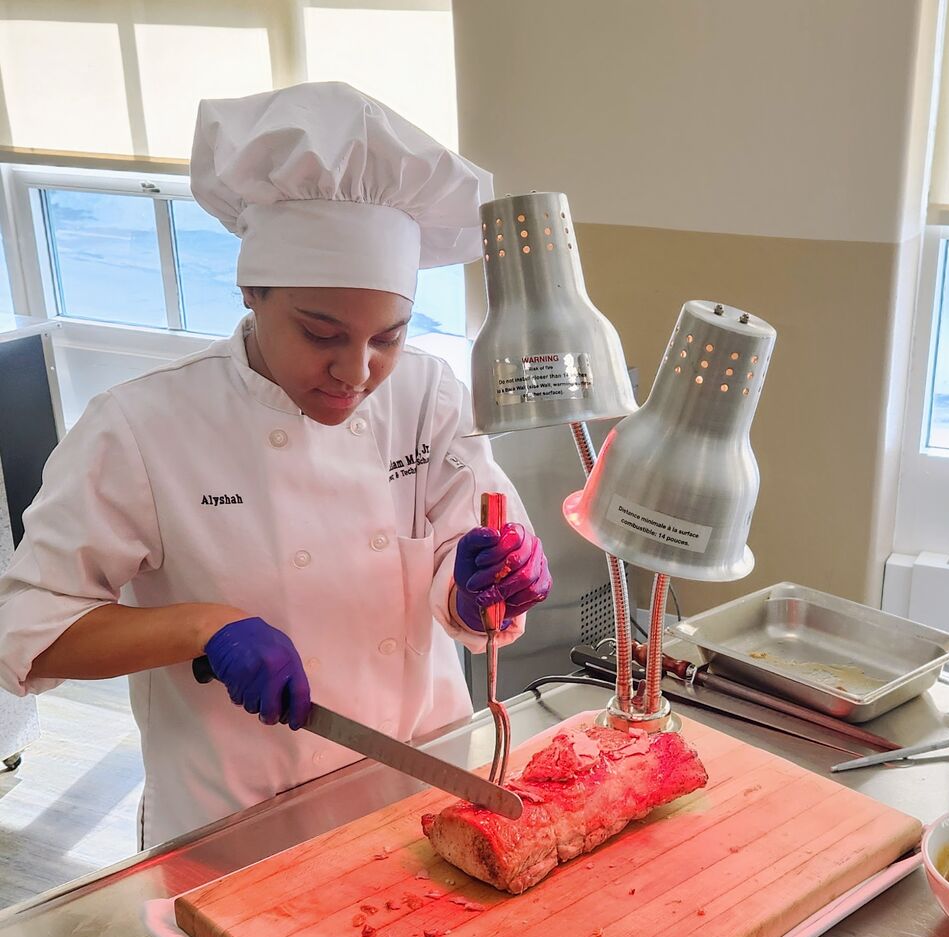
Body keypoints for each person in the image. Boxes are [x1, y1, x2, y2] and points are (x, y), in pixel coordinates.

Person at [0, 82, 551, 849]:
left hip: (420, 802)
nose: (356, 372)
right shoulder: (142, 427)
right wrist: (204, 627)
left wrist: (480, 583)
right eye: (320, 332)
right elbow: (27, 631)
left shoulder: (428, 392)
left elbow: (473, 572)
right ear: (252, 291)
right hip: (236, 828)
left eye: (387, 336)